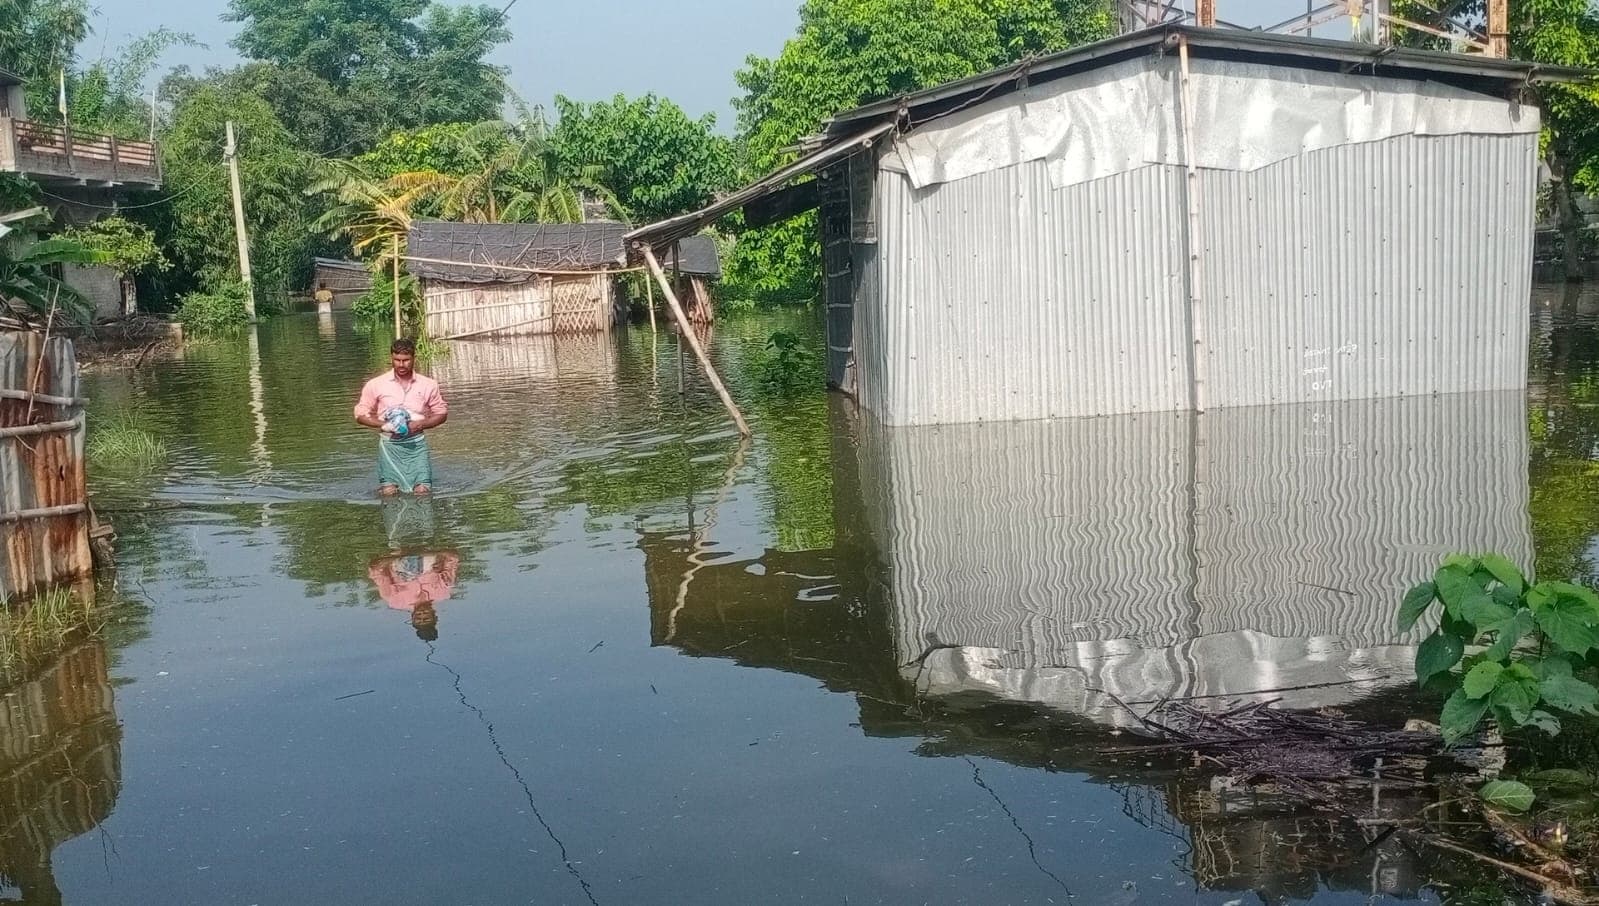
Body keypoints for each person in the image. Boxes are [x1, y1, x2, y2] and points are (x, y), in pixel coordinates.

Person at [354, 338, 449, 495]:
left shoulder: (428, 384)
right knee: (389, 492)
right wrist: (383, 425)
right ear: (391, 358)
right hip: (390, 445)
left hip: (416, 444)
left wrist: (420, 424)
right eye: (397, 360)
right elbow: (360, 413)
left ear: (413, 359)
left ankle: (423, 519)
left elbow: (441, 413)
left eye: (406, 360)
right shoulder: (376, 384)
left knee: (422, 491)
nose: (401, 364)